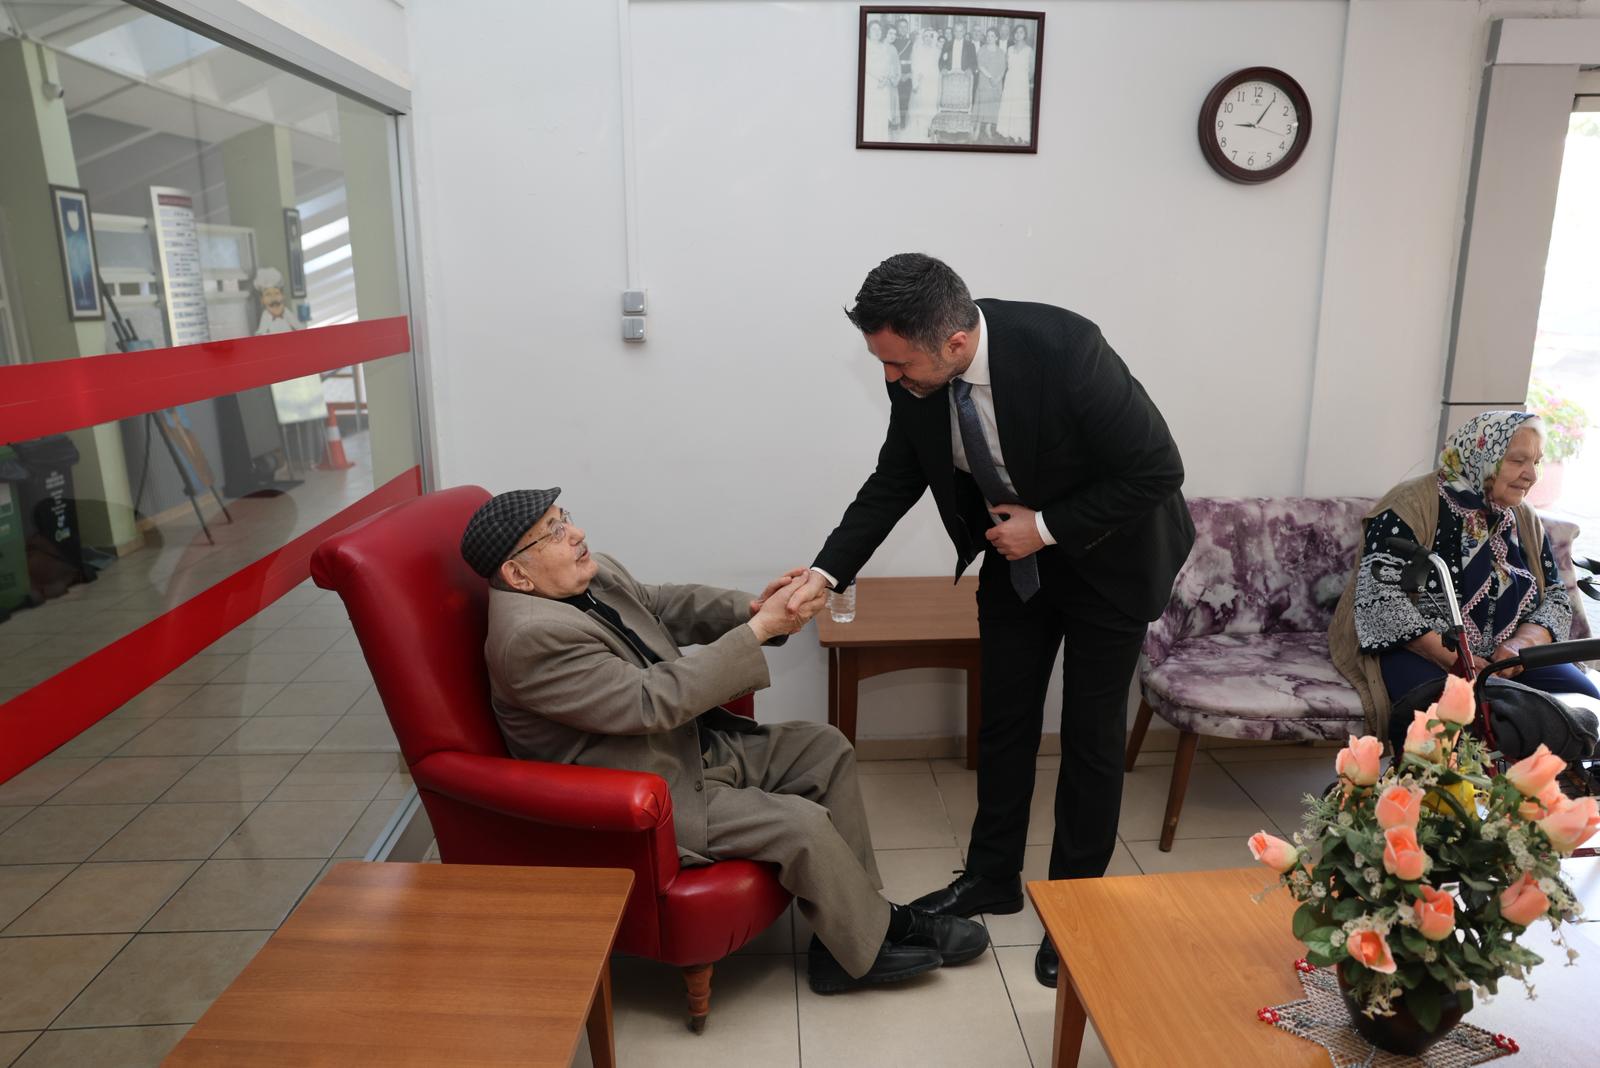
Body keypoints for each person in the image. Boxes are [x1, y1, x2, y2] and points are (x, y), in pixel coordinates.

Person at [783, 255, 1194, 988]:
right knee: (1003, 722)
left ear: (955, 343)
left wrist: (1048, 527)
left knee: (1091, 737)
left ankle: (1076, 907)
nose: (890, 378)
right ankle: (992, 877)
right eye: (881, 363)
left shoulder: (1066, 349)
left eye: (899, 364)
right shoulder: (916, 380)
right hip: (1015, 558)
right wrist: (823, 573)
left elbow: (1157, 469)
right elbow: (893, 482)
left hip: (1112, 557)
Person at [462, 487, 989, 995]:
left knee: (824, 749)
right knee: (801, 823)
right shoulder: (529, 639)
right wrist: (759, 633)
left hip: (687, 746)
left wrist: (756, 608)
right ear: (517, 575)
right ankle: (869, 945)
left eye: (565, 517)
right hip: (649, 792)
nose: (575, 533)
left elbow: (663, 603)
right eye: (553, 532)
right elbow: (650, 700)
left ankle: (849, 934)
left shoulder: (585, 574)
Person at [1330, 411, 1598, 742]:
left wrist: (1521, 644)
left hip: (1505, 657)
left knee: (1586, 704)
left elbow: (1555, 595)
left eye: (1536, 462)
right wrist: (1458, 660)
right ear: (1481, 455)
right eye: (1518, 461)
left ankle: (1547, 773)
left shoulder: (1521, 516)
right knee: (1452, 724)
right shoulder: (1412, 505)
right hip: (1419, 647)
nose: (1531, 475)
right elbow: (1383, 603)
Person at [996, 24, 1034, 144]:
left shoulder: (1029, 50)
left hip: (1021, 82)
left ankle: (1019, 134)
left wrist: (1023, 80)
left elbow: (1032, 70)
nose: (1018, 34)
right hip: (1010, 80)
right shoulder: (1010, 49)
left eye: (1021, 32)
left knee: (1019, 107)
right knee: (1008, 105)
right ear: (1014, 35)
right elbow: (1006, 65)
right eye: (1016, 32)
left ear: (1025, 34)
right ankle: (1006, 132)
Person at [905, 28, 941, 142]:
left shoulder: (936, 51)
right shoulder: (918, 50)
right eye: (926, 36)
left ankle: (930, 134)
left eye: (930, 36)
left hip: (933, 83)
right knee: (920, 108)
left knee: (931, 108)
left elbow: (936, 67)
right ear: (922, 38)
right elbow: (915, 68)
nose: (928, 39)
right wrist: (916, 83)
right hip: (921, 83)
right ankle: (919, 135)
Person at [862, 21, 895, 142]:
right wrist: (879, 79)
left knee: (882, 115)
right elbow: (865, 64)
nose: (877, 32)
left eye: (879, 29)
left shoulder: (883, 46)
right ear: (868, 31)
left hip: (884, 85)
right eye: (874, 29)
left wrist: (886, 78)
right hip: (871, 83)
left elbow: (889, 65)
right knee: (871, 114)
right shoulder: (865, 44)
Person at [975, 29, 1006, 141]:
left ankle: (988, 128)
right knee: (982, 105)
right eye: (988, 36)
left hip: (996, 83)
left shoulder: (1001, 52)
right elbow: (980, 65)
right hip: (985, 80)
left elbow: (1003, 68)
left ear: (996, 38)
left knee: (992, 106)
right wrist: (990, 77)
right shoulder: (982, 49)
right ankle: (977, 129)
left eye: (992, 36)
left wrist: (997, 80)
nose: (989, 38)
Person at [895, 18, 916, 128]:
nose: (903, 29)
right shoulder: (892, 42)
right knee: (895, 99)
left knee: (905, 99)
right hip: (895, 75)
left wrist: (909, 74)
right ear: (897, 28)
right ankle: (894, 122)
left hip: (908, 75)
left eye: (905, 27)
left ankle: (902, 121)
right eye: (901, 26)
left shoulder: (912, 43)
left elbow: (916, 60)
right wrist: (897, 74)